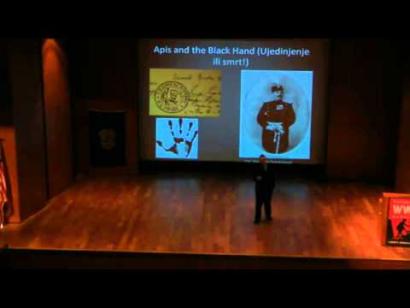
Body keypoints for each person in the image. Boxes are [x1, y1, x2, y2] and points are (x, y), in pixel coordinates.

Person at [257, 84, 296, 153]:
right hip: (268, 133)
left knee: (281, 151)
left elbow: (292, 118)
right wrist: (268, 126)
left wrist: (283, 126)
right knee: (268, 152)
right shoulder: (266, 105)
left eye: (280, 92)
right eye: (276, 91)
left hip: (282, 132)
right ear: (272, 93)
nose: (279, 93)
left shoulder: (287, 105)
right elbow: (259, 119)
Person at [253, 154, 275, 224]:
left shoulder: (270, 167)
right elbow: (254, 177)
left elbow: (273, 177)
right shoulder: (256, 167)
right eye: (261, 160)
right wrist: (257, 178)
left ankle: (268, 216)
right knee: (258, 204)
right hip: (260, 189)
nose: (263, 161)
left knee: (267, 203)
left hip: (268, 189)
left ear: (266, 160)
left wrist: (272, 187)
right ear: (259, 161)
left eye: (264, 160)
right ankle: (257, 219)